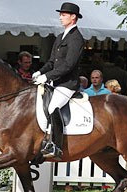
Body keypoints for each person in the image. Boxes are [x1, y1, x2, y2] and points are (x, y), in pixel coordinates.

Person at [32, 2, 84, 160]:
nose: (60, 17)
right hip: (55, 82)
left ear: (73, 17)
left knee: (53, 107)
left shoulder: (76, 38)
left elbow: (69, 65)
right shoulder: (60, 37)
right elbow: (52, 62)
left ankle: (56, 146)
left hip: (67, 84)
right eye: (60, 14)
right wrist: (40, 71)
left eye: (64, 15)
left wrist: (47, 77)